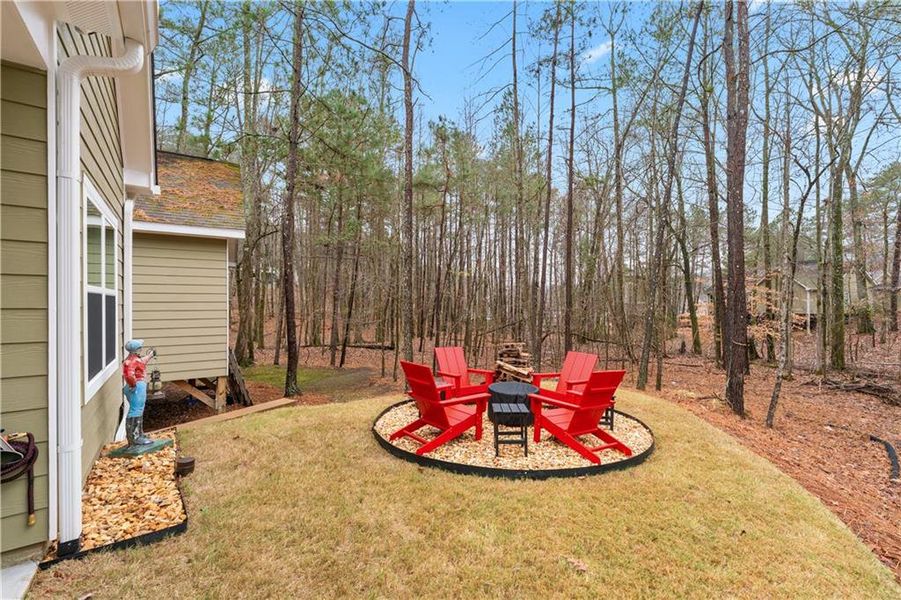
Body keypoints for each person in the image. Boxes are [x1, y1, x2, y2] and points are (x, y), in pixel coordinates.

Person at [122, 339, 156, 448]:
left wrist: (150, 356)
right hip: (136, 386)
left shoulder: (135, 359)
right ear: (136, 349)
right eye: (140, 348)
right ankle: (134, 438)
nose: (141, 349)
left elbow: (141, 362)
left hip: (137, 385)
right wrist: (133, 385)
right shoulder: (130, 361)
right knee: (136, 410)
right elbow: (129, 375)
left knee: (139, 409)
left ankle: (139, 435)